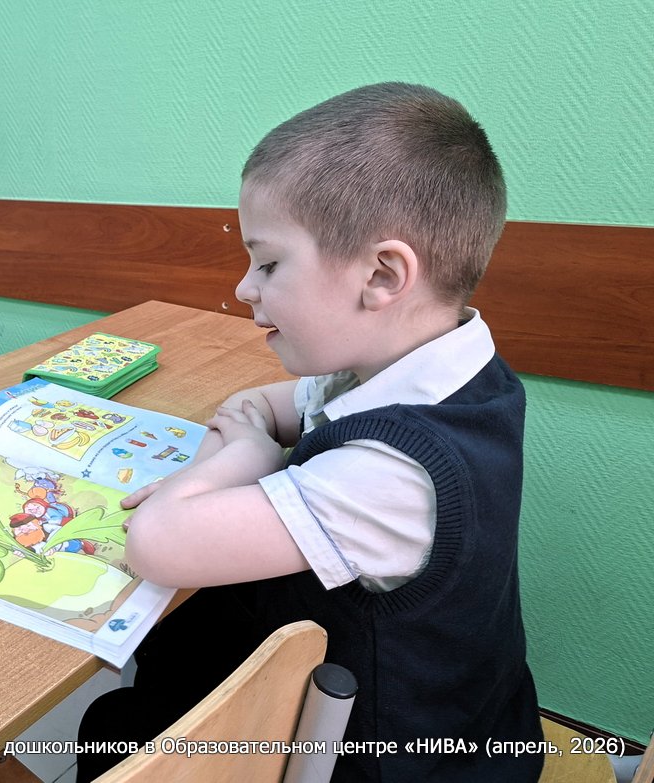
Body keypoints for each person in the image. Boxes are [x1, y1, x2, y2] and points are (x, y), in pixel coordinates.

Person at [76, 82, 543, 782]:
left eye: (268, 263)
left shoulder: (394, 473)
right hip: (466, 710)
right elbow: (257, 404)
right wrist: (248, 442)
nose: (245, 288)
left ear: (382, 275)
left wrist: (247, 454)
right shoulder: (431, 365)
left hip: (395, 758)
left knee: (114, 734)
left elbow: (156, 542)